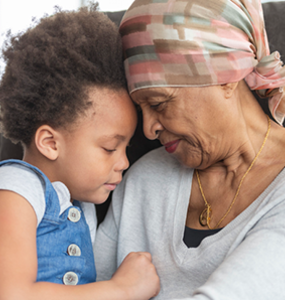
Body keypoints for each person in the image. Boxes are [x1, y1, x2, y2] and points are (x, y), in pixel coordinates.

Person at [94, 0, 285, 299]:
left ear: (225, 76)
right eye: (140, 108)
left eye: (158, 103)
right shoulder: (144, 179)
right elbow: (80, 285)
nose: (148, 129)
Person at [0, 4, 160, 300]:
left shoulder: (80, 205)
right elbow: (12, 294)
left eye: (126, 148)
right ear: (50, 143)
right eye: (110, 148)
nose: (124, 162)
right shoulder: (16, 191)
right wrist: (120, 289)